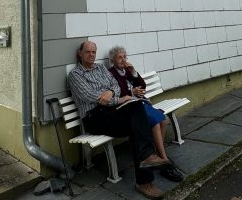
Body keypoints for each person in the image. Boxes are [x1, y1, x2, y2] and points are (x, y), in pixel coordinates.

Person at [68, 41, 168, 199]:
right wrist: (116, 99)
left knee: (136, 107)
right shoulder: (75, 75)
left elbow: (115, 85)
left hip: (111, 112)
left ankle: (146, 171)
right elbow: (91, 97)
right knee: (138, 124)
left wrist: (109, 92)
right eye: (88, 52)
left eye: (94, 52)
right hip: (94, 117)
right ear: (80, 53)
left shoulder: (100, 68)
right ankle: (147, 169)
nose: (92, 55)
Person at [108, 46, 183, 182]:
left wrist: (133, 72)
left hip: (140, 102)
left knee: (163, 120)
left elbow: (142, 85)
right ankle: (164, 160)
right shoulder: (111, 73)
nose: (123, 59)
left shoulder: (127, 71)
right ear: (113, 59)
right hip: (129, 106)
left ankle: (155, 154)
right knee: (154, 122)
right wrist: (132, 93)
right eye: (119, 57)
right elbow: (118, 93)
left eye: (124, 57)